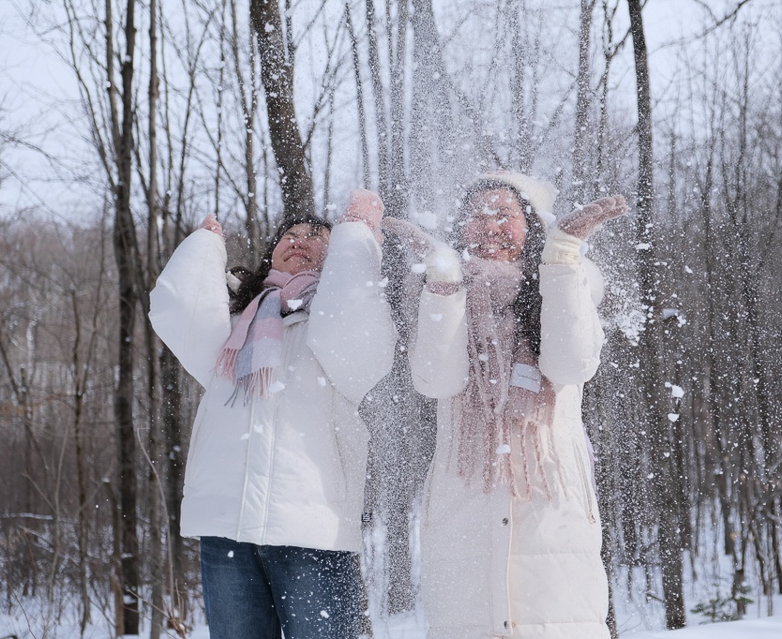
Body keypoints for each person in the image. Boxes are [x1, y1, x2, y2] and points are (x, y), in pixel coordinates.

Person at [383, 171, 628, 639]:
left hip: (550, 507)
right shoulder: (440, 294)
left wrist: (560, 258)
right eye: (476, 214)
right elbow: (436, 379)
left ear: (531, 228)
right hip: (464, 505)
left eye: (504, 214)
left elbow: (572, 364)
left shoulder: (565, 287)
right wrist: (442, 280)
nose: (489, 224)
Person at [149, 190, 397, 639]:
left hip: (311, 530)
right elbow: (175, 311)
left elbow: (359, 341)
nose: (299, 239)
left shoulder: (336, 320)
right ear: (271, 254)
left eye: (318, 236)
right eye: (290, 234)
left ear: (335, 255)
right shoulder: (233, 326)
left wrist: (357, 238)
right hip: (227, 530)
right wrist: (203, 250)